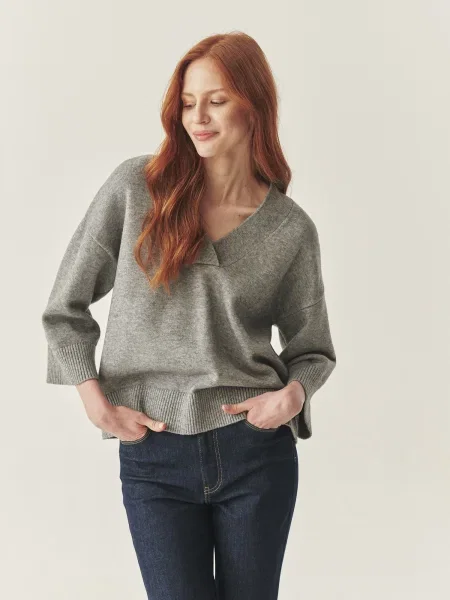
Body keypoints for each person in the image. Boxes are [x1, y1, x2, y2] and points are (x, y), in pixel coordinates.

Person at [42, 31, 336, 600]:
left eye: (216, 101)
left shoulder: (290, 229)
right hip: (154, 453)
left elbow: (313, 349)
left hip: (254, 452)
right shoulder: (136, 189)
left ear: (254, 106)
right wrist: (94, 400)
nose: (197, 117)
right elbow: (64, 309)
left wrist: (291, 398)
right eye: (187, 102)